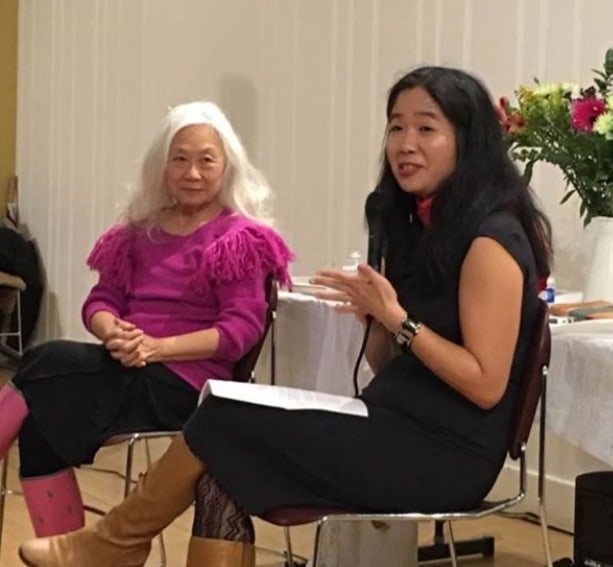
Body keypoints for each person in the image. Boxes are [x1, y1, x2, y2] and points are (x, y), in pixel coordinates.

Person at [18, 66, 552, 567]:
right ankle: (113, 545)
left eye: (426, 128)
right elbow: (390, 365)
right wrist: (374, 318)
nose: (404, 144)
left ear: (468, 139)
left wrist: (398, 319)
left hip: (444, 456)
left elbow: (484, 385)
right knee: (222, 454)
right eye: (395, 127)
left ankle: (113, 543)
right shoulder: (420, 228)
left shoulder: (491, 239)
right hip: (390, 421)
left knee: (222, 423)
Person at [0, 100, 292, 541]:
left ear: (226, 166)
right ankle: (66, 555)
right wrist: (111, 331)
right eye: (180, 159)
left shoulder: (238, 239)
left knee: (45, 360)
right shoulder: (138, 233)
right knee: (41, 427)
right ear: (162, 165)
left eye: (205, 161)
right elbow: (100, 301)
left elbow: (240, 332)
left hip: (186, 385)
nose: (192, 173)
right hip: (125, 368)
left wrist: (158, 347)